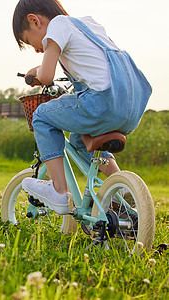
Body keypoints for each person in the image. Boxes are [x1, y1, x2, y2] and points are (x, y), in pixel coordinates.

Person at [12, 0, 152, 214]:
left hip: (102, 103)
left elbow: (47, 75)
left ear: (34, 20)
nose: (38, 50)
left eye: (31, 43)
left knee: (41, 116)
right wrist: (40, 69)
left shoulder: (57, 25)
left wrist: (37, 74)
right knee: (79, 138)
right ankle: (119, 186)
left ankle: (58, 190)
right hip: (130, 106)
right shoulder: (88, 25)